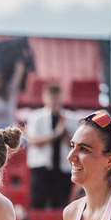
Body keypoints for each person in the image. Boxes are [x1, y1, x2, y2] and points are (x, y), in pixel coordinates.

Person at [25, 81, 76, 210]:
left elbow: (76, 144)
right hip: (41, 166)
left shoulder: (71, 118)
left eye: (57, 96)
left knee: (61, 205)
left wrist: (64, 133)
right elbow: (33, 141)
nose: (54, 100)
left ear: (62, 97)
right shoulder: (36, 117)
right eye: (51, 96)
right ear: (44, 98)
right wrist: (55, 134)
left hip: (63, 167)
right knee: (38, 203)